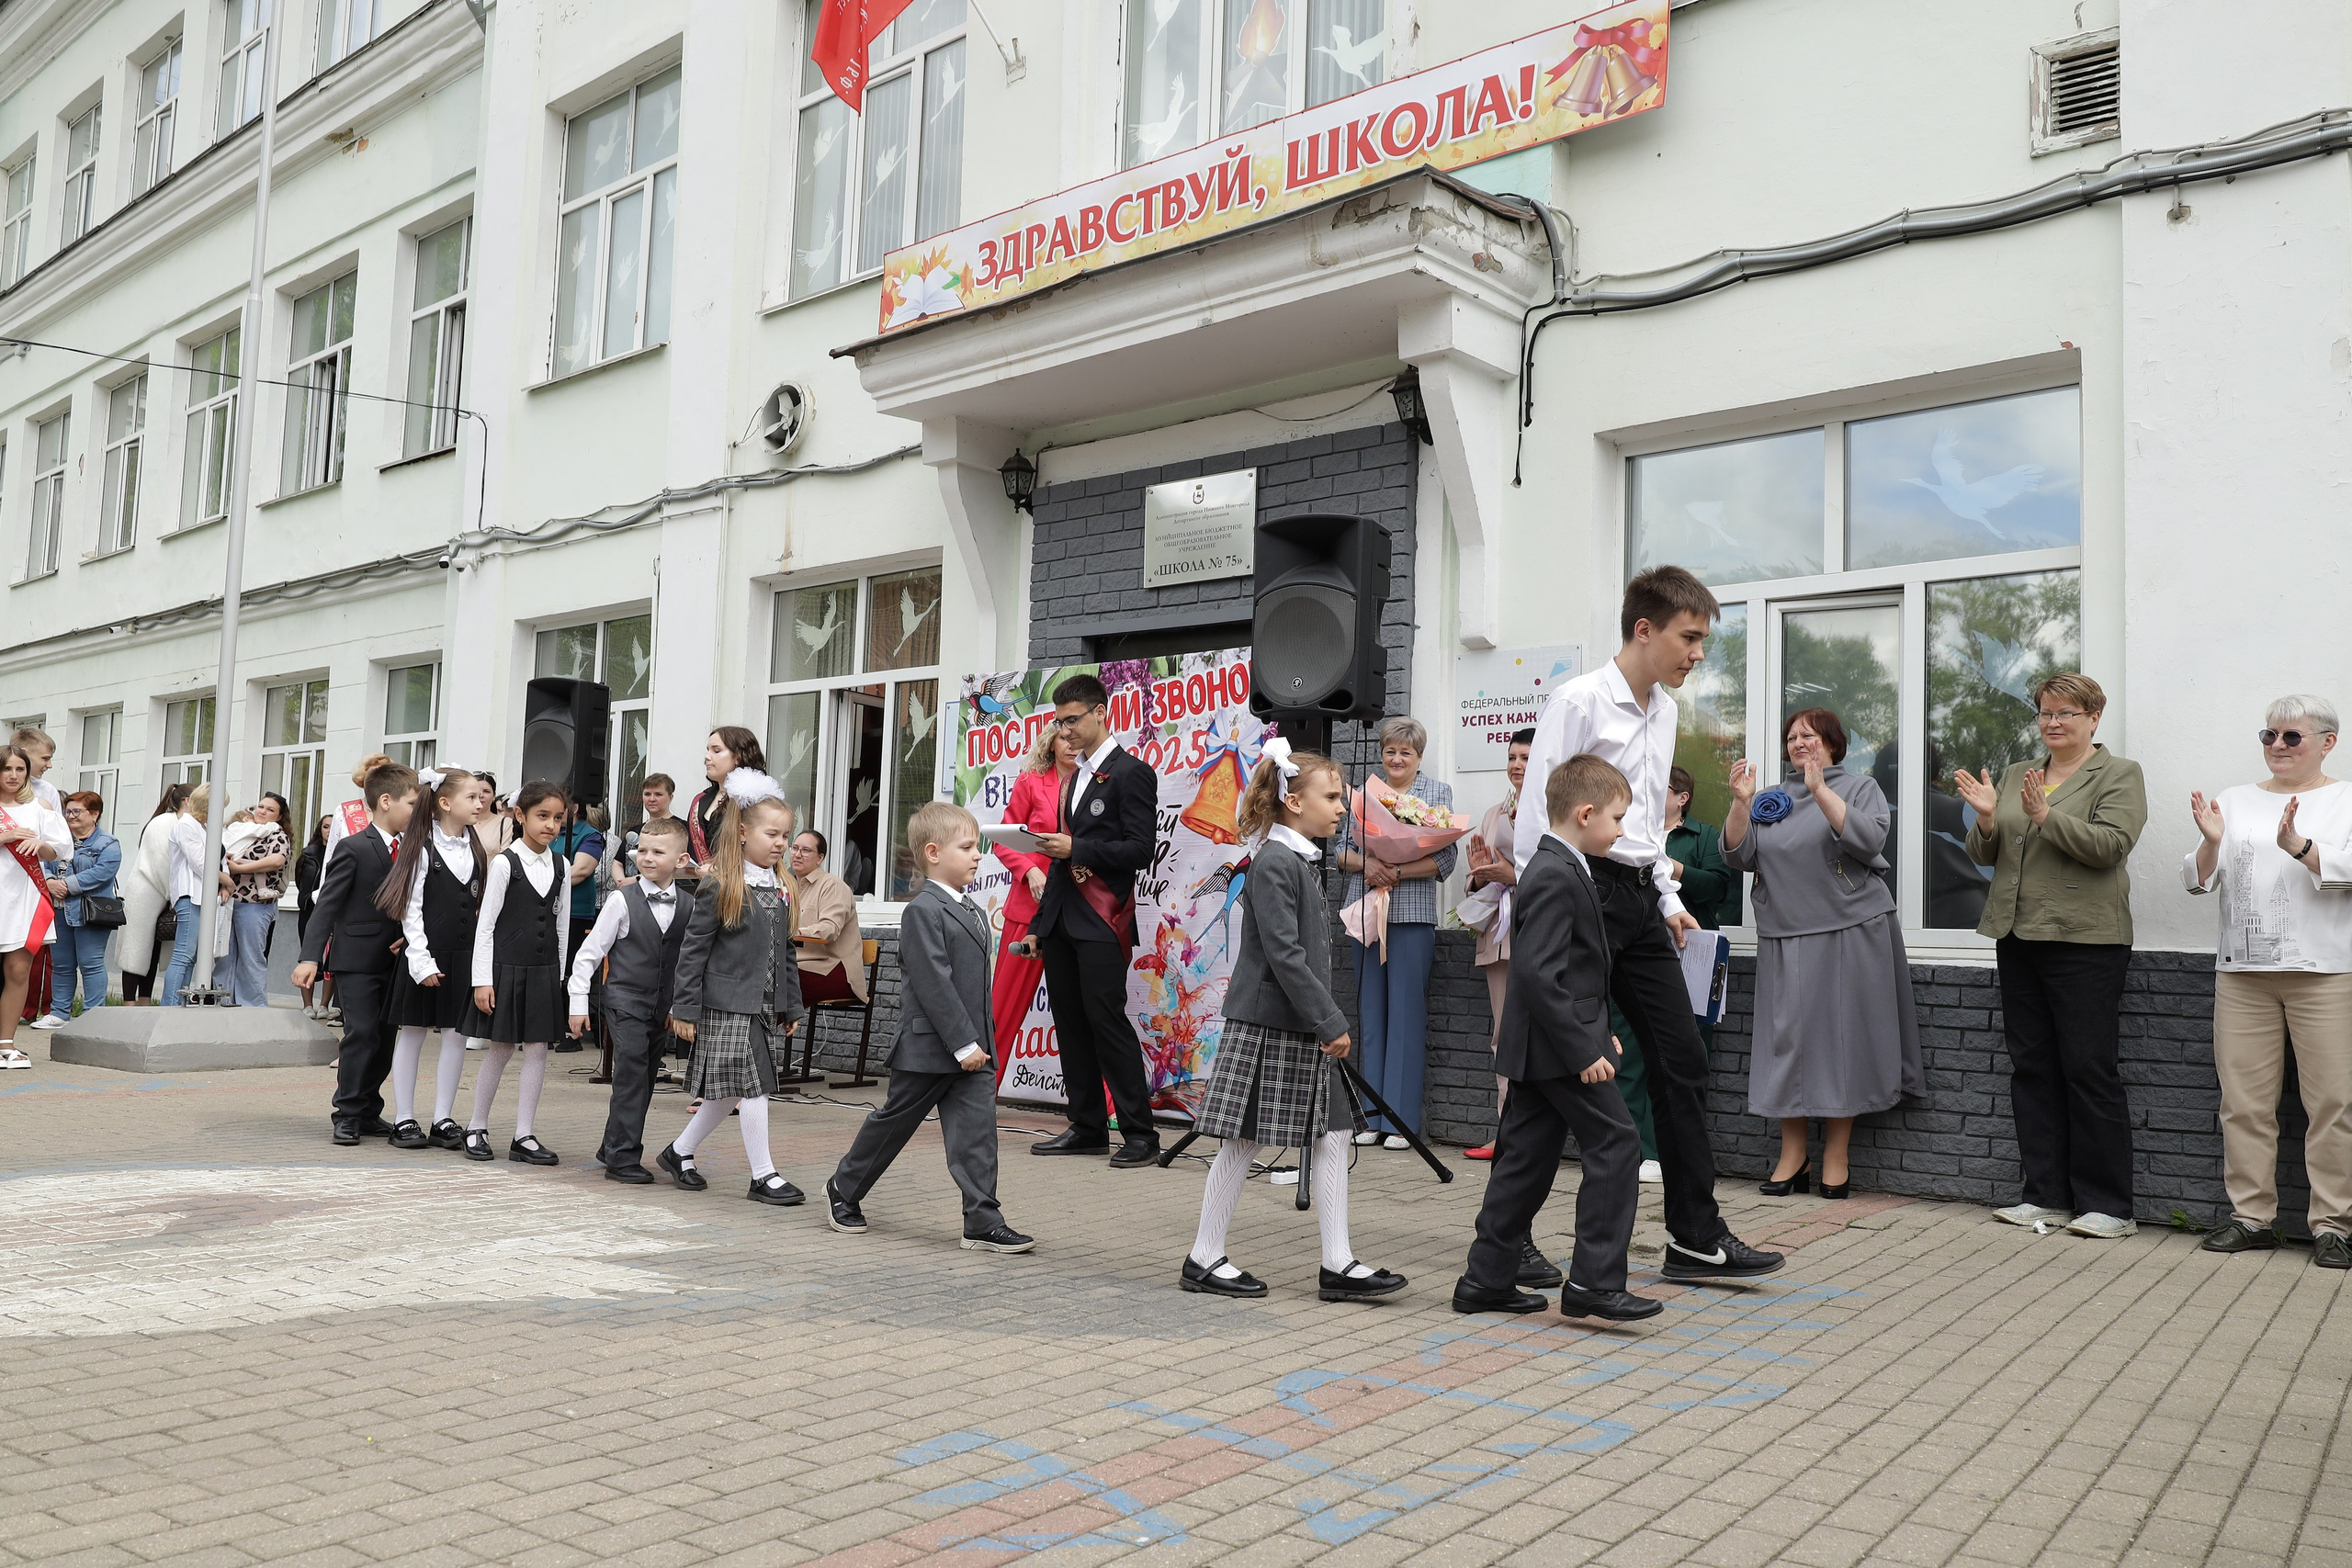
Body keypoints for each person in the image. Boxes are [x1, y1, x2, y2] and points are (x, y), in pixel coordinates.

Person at [1513, 566, 1784, 1282]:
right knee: (1550, 1074)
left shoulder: (1664, 711)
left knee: (1683, 1060)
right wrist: (1544, 912)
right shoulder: (1577, 700)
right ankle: (1505, 1239)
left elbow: (1645, 828)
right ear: (1644, 629)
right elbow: (1537, 821)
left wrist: (1667, 898)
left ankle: (1695, 1237)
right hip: (1577, 894)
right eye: (1689, 637)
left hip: (1638, 899)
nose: (1698, 653)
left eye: (1701, 641)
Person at [1182, 742, 1404, 1303]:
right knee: (1242, 1141)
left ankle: (1338, 1264)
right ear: (1293, 800)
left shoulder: (1297, 857)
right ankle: (1203, 1257)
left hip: (1297, 1026)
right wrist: (1329, 1020)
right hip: (1269, 1026)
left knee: (1334, 1134)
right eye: (1331, 797)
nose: (1342, 808)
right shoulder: (1276, 861)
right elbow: (1285, 955)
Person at [1455, 754, 1657, 1322]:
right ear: (1586, 813)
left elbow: (1576, 972)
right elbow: (1540, 975)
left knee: (1525, 1160)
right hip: (1556, 1049)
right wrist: (1583, 1048)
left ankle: (1486, 1279)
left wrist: (1600, 1034)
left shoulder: (1557, 867)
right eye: (1617, 819)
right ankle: (1594, 1283)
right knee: (1617, 1144)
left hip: (1547, 1044)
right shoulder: (1553, 872)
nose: (1621, 830)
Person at [1955, 671, 2147, 1240]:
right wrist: (1988, 818)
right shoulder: (2020, 773)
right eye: (2045, 713)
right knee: (2032, 1069)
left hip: (2086, 941)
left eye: (2066, 713)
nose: (2053, 723)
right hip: (2018, 936)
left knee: (2088, 1071)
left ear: (2093, 718)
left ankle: (2109, 1207)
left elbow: (2111, 846)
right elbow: (1989, 855)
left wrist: (2046, 817)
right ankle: (2045, 1198)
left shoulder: (2119, 774)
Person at [1723, 709, 1925, 1199]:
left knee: (1842, 1041)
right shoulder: (1770, 796)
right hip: (1784, 933)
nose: (1798, 743)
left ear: (1833, 743)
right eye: (1791, 737)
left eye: (1807, 736)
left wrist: (1819, 790)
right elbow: (1739, 856)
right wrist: (1741, 803)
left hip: (1850, 930)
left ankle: (1837, 1154)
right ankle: (1794, 1155)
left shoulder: (1859, 788)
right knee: (1786, 1042)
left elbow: (1868, 838)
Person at [2185, 696, 2352, 1269]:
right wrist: (2210, 840)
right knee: (2244, 1103)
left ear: (2327, 742)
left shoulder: (2346, 798)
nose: (2277, 746)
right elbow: (2198, 880)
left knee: (2332, 1102)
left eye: (2291, 737)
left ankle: (2334, 1224)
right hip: (2243, 974)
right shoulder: (2234, 800)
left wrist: (2300, 848)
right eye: (2268, 735)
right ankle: (2251, 1217)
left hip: (2326, 972)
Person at [825, 802, 1035, 1252]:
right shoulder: (922, 910)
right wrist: (963, 1044)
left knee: (977, 1136)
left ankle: (982, 1220)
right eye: (968, 847)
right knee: (894, 1125)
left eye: (978, 846)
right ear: (934, 853)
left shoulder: (975, 911)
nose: (978, 855)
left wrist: (980, 1043)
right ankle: (844, 1188)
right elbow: (933, 983)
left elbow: (974, 987)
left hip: (973, 1049)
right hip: (931, 1047)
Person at [1028, 673, 1163, 1167]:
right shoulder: (1073, 776)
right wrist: (1042, 923)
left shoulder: (1131, 773)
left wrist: (1077, 847)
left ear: (1101, 713)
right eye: (1059, 722)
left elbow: (1140, 850)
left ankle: (1141, 1134)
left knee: (1106, 1022)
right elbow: (1061, 863)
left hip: (1105, 919)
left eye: (1072, 720)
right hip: (1064, 917)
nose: (1065, 731)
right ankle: (1086, 1126)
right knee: (1069, 1024)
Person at [662, 774, 806, 1203]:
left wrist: (792, 1005)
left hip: (761, 1005)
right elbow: (692, 952)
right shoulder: (721, 884)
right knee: (755, 1085)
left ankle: (679, 1151)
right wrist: (684, 1009)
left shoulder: (779, 886)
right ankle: (763, 1175)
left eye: (786, 835)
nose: (781, 843)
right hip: (726, 1003)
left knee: (729, 1089)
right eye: (772, 833)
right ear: (743, 832)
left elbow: (786, 953)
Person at [1335, 716, 1458, 1149]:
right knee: (1371, 1013)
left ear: (1419, 756)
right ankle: (1370, 1117)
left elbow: (1445, 860)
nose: (1397, 758)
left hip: (1410, 915)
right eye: (1390, 750)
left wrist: (1397, 871)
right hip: (1365, 911)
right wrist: (1369, 865)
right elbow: (1339, 851)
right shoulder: (1364, 794)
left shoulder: (1435, 794)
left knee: (1406, 1016)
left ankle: (1400, 1122)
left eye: (1406, 751)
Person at [292, 761, 419, 1143]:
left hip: (395, 960)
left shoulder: (413, 850)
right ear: (385, 801)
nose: (417, 812)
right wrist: (309, 957)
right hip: (355, 959)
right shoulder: (353, 847)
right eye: (412, 804)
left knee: (384, 1037)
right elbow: (327, 905)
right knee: (361, 1033)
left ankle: (368, 1110)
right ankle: (345, 1112)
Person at [571, 817, 693, 1183]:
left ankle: (611, 1145)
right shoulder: (621, 901)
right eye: (642, 850)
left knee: (646, 1077)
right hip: (624, 1000)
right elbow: (589, 954)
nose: (647, 858)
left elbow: (686, 962)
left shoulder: (688, 905)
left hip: (660, 1005)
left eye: (658, 852)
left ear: (682, 860)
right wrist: (578, 1003)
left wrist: (677, 1006)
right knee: (632, 1074)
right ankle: (622, 1158)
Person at [461, 782, 574, 1164]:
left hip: (544, 971)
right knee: (502, 1047)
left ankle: (524, 1135)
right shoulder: (505, 863)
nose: (551, 825)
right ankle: (476, 1126)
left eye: (558, 818)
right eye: (543, 816)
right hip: (505, 968)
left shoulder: (563, 864)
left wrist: (559, 979)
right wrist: (482, 980)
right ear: (520, 816)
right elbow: (486, 926)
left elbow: (562, 925)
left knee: (539, 1049)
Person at [378, 768, 488, 1152]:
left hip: (463, 955)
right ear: (445, 803)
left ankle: (443, 1117)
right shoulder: (422, 847)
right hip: (423, 955)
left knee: (457, 1035)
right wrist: (420, 960)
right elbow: (411, 909)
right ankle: (404, 1118)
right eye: (472, 797)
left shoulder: (474, 847)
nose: (480, 803)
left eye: (481, 797)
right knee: (412, 1032)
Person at [987, 726, 1078, 1087]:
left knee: (1087, 1014)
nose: (1070, 744)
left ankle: (1108, 1105)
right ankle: (979, 1093)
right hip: (1028, 911)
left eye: (1076, 737)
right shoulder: (1031, 781)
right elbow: (1003, 841)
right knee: (1002, 1009)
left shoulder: (1098, 783)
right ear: (1050, 743)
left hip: (1078, 912)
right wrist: (1029, 872)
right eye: (1063, 738)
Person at [1462, 728, 1533, 1161]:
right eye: (1512, 756)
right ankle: (1507, 1131)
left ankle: (1535, 1136)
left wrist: (1515, 877)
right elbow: (1479, 876)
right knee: (1503, 1035)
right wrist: (1479, 872)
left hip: (1539, 931)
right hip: (1500, 934)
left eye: (1526, 756)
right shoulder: (1493, 813)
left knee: (1543, 1037)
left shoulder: (1552, 811)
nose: (1517, 764)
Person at [0, 747, 71, 1065]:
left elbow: (61, 849)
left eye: (19, 769)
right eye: (6, 769)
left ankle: (6, 1044)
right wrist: (7, 835)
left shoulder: (39, 807)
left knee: (18, 970)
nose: (13, 776)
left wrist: (42, 845)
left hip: (24, 898)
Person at [30, 792, 121, 1029]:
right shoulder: (61, 839)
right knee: (61, 963)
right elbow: (44, 862)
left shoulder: (108, 843)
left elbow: (103, 872)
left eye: (76, 811)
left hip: (90, 912)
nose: (70, 816)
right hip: (59, 910)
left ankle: (93, 1016)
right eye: (68, 811)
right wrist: (49, 882)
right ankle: (59, 1014)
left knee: (90, 963)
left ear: (94, 814)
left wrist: (67, 886)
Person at [119, 784, 191, 1005]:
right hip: (146, 891)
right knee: (136, 950)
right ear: (187, 800)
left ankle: (144, 1001)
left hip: (161, 892)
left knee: (153, 949)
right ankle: (130, 1004)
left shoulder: (181, 823)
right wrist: (175, 894)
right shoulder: (163, 823)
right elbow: (162, 861)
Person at [221, 792, 291, 1009]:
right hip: (227, 901)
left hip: (255, 905)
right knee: (223, 956)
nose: (263, 811)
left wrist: (240, 868)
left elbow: (276, 860)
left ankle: (252, 1009)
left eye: (270, 810)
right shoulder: (242, 829)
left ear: (279, 817)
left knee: (251, 958)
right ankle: (222, 1002)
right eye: (261, 806)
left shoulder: (277, 835)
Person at [549, 803, 606, 1052]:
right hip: (550, 910)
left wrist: (544, 883)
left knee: (572, 968)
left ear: (574, 807)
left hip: (577, 913)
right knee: (552, 969)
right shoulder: (554, 834)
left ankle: (572, 1033)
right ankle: (552, 1026)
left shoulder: (590, 835)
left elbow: (582, 870)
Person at [789, 829, 865, 1007]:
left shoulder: (833, 885)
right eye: (794, 848)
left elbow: (829, 929)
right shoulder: (787, 886)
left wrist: (794, 932)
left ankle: (755, 1033)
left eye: (806, 850)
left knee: (776, 985)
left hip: (833, 969)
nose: (798, 855)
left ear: (820, 858)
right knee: (764, 977)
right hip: (798, 966)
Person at [160, 785, 213, 1007]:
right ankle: (169, 1005)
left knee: (191, 958)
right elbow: (201, 863)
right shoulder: (186, 825)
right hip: (190, 894)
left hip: (201, 895)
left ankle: (179, 1003)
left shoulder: (202, 826)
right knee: (184, 954)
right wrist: (226, 880)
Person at [685, 728, 766, 874]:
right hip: (701, 889)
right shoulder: (700, 800)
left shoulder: (756, 800)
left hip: (740, 888)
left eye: (716, 751)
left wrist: (717, 871)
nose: (707, 757)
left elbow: (762, 851)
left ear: (738, 757)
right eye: (708, 750)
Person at [320, 752, 395, 868]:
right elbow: (330, 856)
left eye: (383, 778)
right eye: (371, 778)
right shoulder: (344, 811)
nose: (376, 783)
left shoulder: (397, 812)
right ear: (362, 781)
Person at [607, 773, 678, 888]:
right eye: (647, 794)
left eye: (658, 794)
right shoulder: (634, 831)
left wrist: (637, 880)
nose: (652, 799)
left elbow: (679, 867)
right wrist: (623, 883)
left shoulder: (680, 828)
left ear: (670, 797)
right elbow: (618, 863)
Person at [294, 811, 333, 1017]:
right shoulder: (309, 854)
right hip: (310, 911)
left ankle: (325, 1005)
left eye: (333, 827)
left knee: (331, 960)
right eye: (326, 826)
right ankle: (307, 1005)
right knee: (308, 956)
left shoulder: (343, 851)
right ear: (320, 829)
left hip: (334, 912)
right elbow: (300, 881)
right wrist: (306, 900)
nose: (329, 831)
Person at [11, 726, 62, 816]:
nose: (50, 765)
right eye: (45, 758)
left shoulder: (48, 790)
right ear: (23, 753)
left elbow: (55, 828)